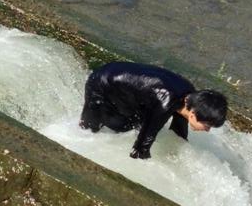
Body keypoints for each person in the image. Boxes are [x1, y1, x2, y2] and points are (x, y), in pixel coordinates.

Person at [79, 61, 227, 159]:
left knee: (135, 125)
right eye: (207, 125)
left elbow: (178, 133)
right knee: (90, 130)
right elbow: (140, 149)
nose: (207, 130)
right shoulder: (166, 102)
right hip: (100, 83)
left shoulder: (190, 97)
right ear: (193, 114)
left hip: (126, 88)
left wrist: (181, 158)